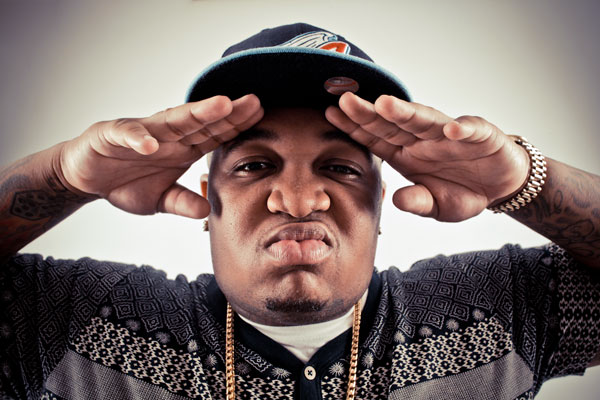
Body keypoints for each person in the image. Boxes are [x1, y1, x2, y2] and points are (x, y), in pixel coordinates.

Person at [0, 22, 598, 400]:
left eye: (339, 168)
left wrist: (524, 183)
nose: (298, 199)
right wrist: (62, 177)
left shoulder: (496, 311)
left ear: (380, 205)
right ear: (207, 197)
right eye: (255, 165)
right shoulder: (79, 321)